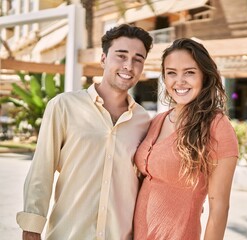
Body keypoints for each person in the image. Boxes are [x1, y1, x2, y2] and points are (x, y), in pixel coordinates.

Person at [16, 24, 153, 240]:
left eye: (138, 59)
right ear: (103, 59)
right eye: (121, 55)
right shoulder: (63, 106)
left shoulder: (144, 120)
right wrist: (31, 229)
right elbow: (42, 170)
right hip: (68, 234)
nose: (129, 65)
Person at [133, 38, 239, 240]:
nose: (179, 81)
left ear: (205, 77)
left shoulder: (217, 126)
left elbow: (219, 209)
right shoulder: (157, 121)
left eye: (189, 72)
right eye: (171, 73)